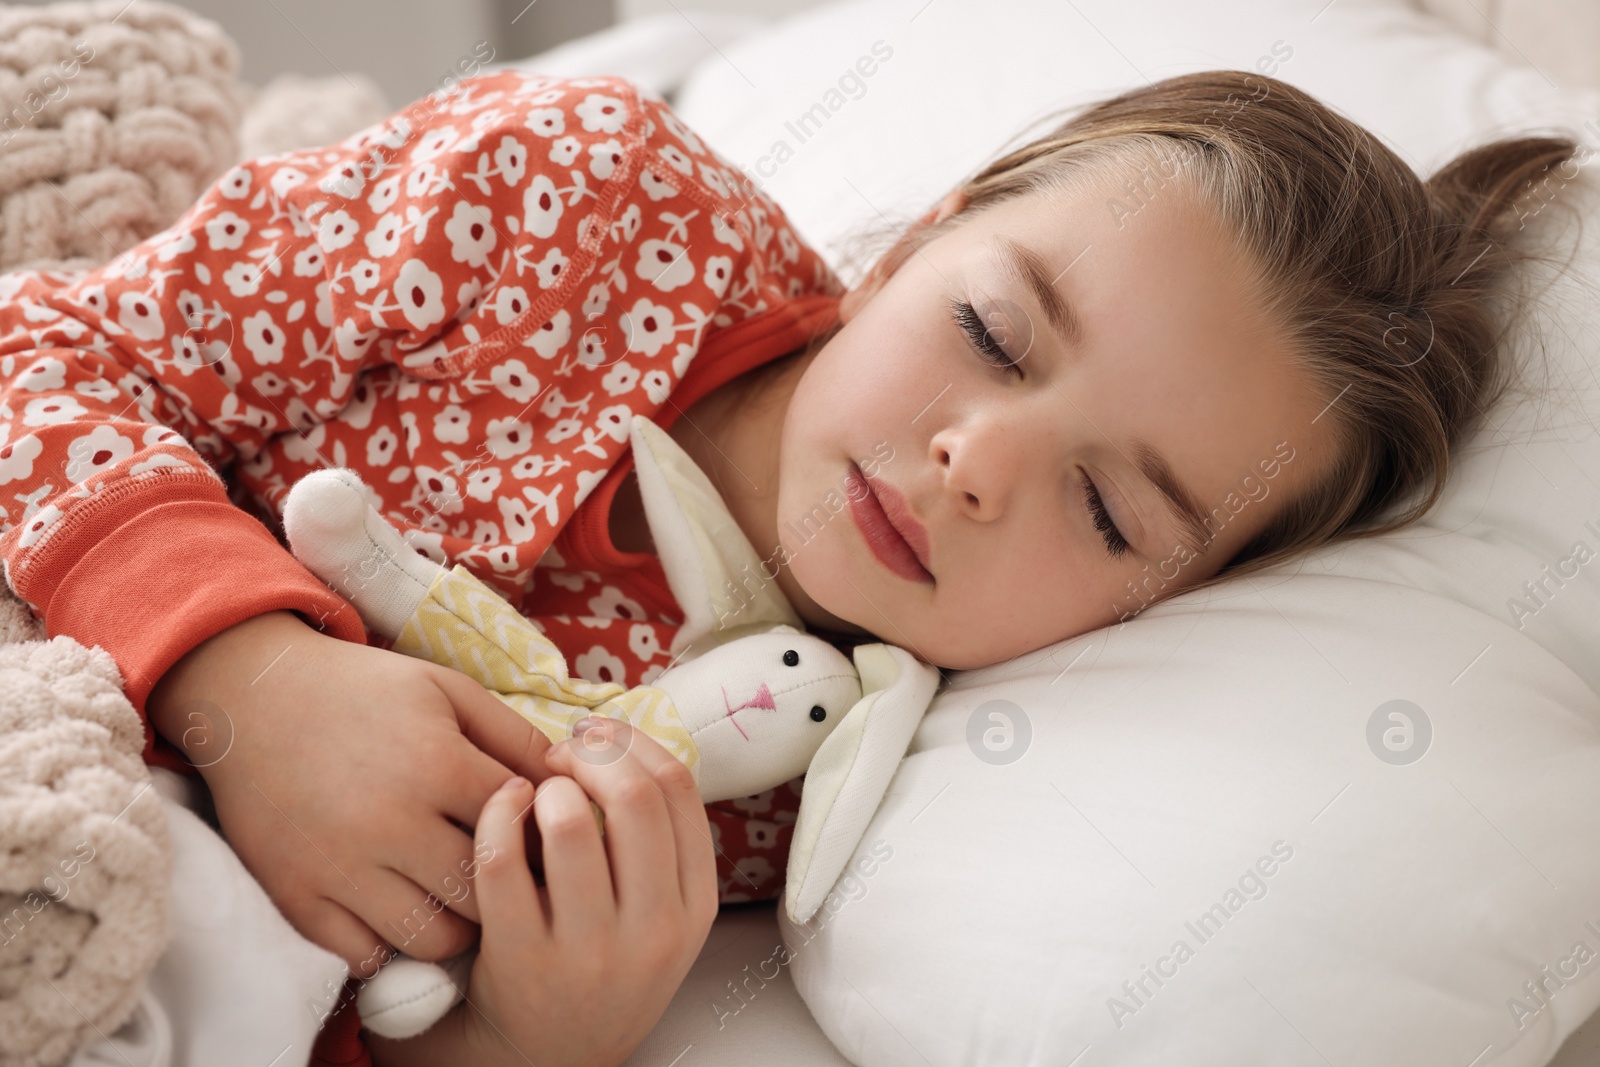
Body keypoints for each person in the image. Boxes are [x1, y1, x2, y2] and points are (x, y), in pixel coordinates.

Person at [0, 63, 1574, 1065]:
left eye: (1109, 515)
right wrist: (247, 670)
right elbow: (45, 344)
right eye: (992, 333)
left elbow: (317, 997)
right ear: (914, 244)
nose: (980, 464)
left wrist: (519, 1043)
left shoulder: (807, 787)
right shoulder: (576, 199)